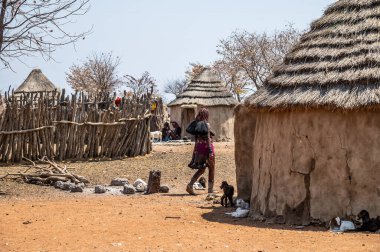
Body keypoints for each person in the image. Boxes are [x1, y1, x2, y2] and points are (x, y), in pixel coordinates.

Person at [186, 108, 215, 195]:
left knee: (202, 168)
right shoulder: (206, 124)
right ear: (206, 115)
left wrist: (195, 150)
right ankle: (210, 190)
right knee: (212, 168)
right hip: (207, 148)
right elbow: (208, 138)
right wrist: (210, 150)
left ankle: (190, 185)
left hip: (199, 148)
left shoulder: (197, 124)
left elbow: (196, 138)